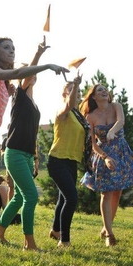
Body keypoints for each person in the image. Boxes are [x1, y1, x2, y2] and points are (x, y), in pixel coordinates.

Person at [0, 36, 68, 262]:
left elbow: (24, 76)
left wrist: (37, 54)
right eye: (6, 48)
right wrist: (46, 64)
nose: (12, 51)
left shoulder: (7, 86)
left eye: (13, 48)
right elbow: (21, 75)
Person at [0, 38, 62, 252]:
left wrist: (36, 157)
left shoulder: (33, 102)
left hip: (27, 154)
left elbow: (33, 133)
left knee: (20, 196)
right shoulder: (20, 95)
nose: (32, 75)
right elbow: (28, 72)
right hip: (15, 152)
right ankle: (29, 243)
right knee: (31, 196)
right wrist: (39, 54)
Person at [79, 83, 133, 247]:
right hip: (103, 154)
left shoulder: (116, 106)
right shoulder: (90, 116)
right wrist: (105, 157)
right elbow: (93, 144)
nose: (104, 91)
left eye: (105, 89)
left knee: (117, 192)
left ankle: (106, 227)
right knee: (106, 193)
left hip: (121, 152)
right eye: (100, 90)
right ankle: (110, 235)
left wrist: (112, 131)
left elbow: (121, 121)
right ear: (93, 97)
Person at [46, 73, 91, 248]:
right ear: (64, 94)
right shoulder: (62, 111)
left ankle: (55, 230)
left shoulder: (79, 116)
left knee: (63, 198)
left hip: (72, 161)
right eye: (71, 90)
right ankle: (64, 240)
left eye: (78, 91)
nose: (76, 92)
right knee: (71, 198)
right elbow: (69, 104)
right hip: (57, 159)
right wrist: (76, 84)